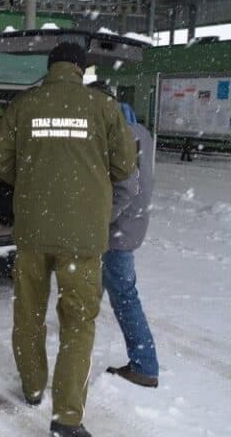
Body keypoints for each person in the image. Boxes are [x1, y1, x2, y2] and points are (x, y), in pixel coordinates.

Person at [0, 43, 137, 437]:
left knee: (29, 313)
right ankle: (67, 418)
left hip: (33, 231)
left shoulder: (23, 105)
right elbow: (125, 165)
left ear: (50, 67)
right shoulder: (103, 106)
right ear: (82, 69)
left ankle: (33, 387)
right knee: (78, 323)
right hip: (82, 238)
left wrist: (34, 180)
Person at [104, 102, 159, 388]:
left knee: (125, 296)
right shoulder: (142, 133)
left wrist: (100, 220)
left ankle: (145, 366)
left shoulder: (120, 135)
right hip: (133, 223)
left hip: (117, 230)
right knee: (114, 292)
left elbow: (124, 188)